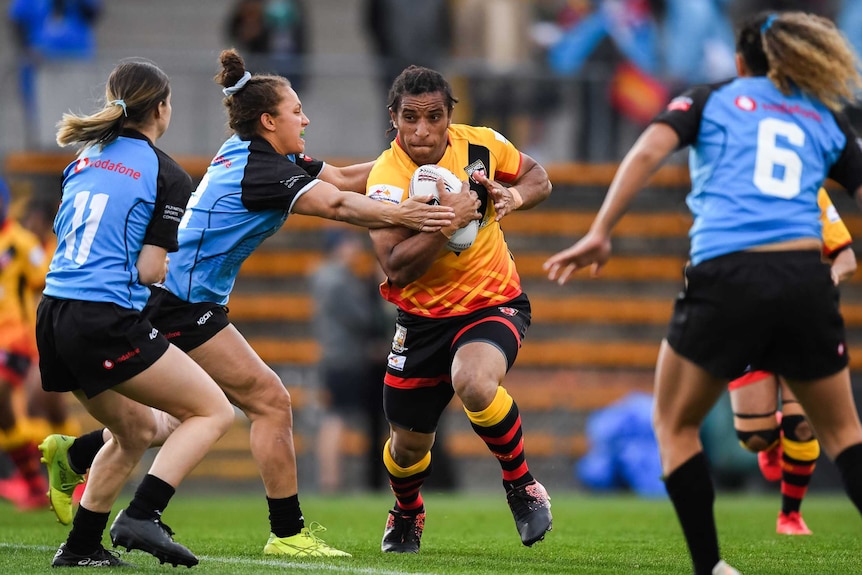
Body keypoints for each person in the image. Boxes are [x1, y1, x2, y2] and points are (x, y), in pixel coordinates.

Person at [40, 48, 464, 558]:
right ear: (269, 120)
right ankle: (277, 532)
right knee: (265, 401)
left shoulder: (257, 153)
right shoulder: (260, 170)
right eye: (296, 112)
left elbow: (346, 179)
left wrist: (419, 156)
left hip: (178, 299)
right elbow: (338, 204)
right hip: (180, 300)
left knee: (172, 420)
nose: (305, 119)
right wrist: (422, 215)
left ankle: (78, 458)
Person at [544, 12, 862, 575]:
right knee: (844, 434)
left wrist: (600, 230)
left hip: (727, 274)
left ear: (740, 63)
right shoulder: (823, 113)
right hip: (804, 280)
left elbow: (646, 152)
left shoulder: (711, 97)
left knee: (674, 425)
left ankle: (711, 567)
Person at [38, 58, 236, 568]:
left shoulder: (85, 156)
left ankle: (81, 547)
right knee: (214, 410)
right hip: (102, 316)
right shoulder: (165, 172)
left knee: (136, 432)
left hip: (53, 313)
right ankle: (143, 514)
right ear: (162, 108)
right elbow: (149, 270)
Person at [365, 64, 554, 553]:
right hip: (421, 320)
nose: (423, 130)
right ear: (394, 119)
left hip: (493, 302)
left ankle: (521, 486)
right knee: (408, 448)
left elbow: (539, 176)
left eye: (434, 117)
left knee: (473, 381)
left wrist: (514, 193)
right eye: (411, 118)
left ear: (450, 115)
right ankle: (407, 512)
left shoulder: (482, 145)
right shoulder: (386, 178)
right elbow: (395, 266)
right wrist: (447, 225)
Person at [730, 188, 857, 536]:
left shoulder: (810, 191)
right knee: (754, 438)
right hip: (749, 319)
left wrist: (823, 281)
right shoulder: (731, 187)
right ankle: (770, 438)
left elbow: (846, 259)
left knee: (802, 426)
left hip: (803, 318)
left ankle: (790, 516)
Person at [311, 229, 387, 493]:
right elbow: (362, 317)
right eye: (350, 243)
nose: (355, 248)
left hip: (334, 354)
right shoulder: (339, 280)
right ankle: (330, 480)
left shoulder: (325, 276)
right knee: (336, 417)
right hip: (344, 357)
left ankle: (330, 479)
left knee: (336, 416)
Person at [0, 177, 51, 511]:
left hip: (14, 338)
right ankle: (33, 482)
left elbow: (45, 283)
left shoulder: (21, 243)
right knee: (6, 414)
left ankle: (39, 480)